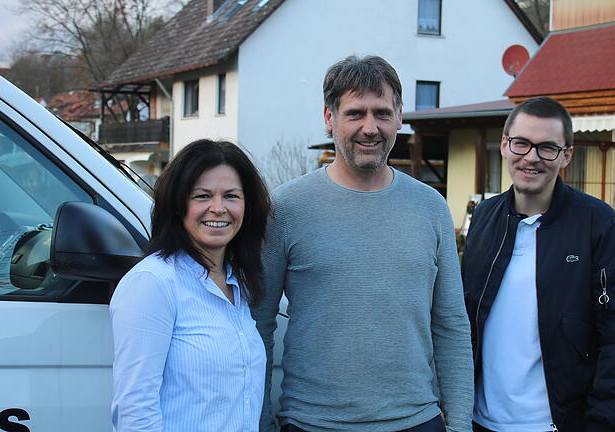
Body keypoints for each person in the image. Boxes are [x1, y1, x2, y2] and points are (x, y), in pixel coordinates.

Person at [253, 55, 473, 432]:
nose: (370, 128)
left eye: (382, 113)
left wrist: (460, 424)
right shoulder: (285, 209)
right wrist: (261, 423)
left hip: (417, 421)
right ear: (329, 118)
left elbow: (451, 324)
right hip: (313, 423)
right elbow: (259, 324)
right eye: (355, 113)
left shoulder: (431, 208)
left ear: (399, 118)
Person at [461, 97, 615, 432]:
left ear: (566, 156)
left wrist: (604, 423)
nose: (531, 158)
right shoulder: (486, 216)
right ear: (505, 145)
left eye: (547, 147)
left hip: (555, 424)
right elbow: (462, 319)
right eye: (521, 143)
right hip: (477, 422)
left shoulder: (598, 224)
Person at [110, 139, 271, 432]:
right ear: (177, 204)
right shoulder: (153, 283)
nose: (218, 208)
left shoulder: (238, 283)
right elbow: (134, 409)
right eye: (202, 196)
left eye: (232, 196)